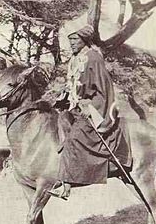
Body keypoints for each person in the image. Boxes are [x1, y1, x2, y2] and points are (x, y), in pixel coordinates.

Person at [48, 25, 128, 200]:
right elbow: (74, 86)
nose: (72, 44)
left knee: (74, 138)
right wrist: (63, 97)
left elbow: (104, 89)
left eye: (75, 40)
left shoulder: (93, 58)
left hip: (92, 109)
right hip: (74, 106)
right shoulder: (75, 59)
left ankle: (66, 185)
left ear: (84, 40)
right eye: (70, 40)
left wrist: (90, 106)